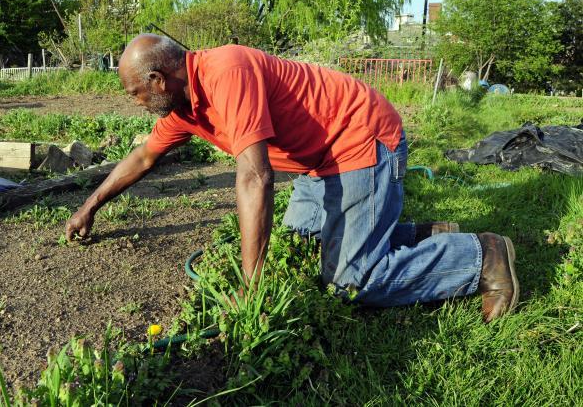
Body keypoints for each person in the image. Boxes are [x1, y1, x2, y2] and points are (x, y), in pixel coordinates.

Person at [66, 34, 519, 322]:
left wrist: (252, 285)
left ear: (158, 79)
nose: (135, 103)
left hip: (360, 141)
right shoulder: (185, 106)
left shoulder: (227, 71)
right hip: (318, 163)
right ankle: (417, 236)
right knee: (298, 247)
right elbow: (143, 156)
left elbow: (255, 177)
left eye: (135, 93)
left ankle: (480, 256)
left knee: (350, 283)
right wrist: (90, 206)